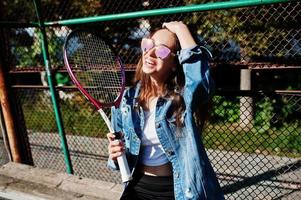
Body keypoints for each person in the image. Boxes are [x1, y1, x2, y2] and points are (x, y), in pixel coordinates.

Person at [107, 21, 224, 200]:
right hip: (137, 187)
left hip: (178, 191)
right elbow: (121, 159)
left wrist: (181, 29)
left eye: (162, 51)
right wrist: (116, 154)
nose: (150, 52)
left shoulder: (182, 99)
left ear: (174, 63)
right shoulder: (126, 99)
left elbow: (200, 82)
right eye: (148, 44)